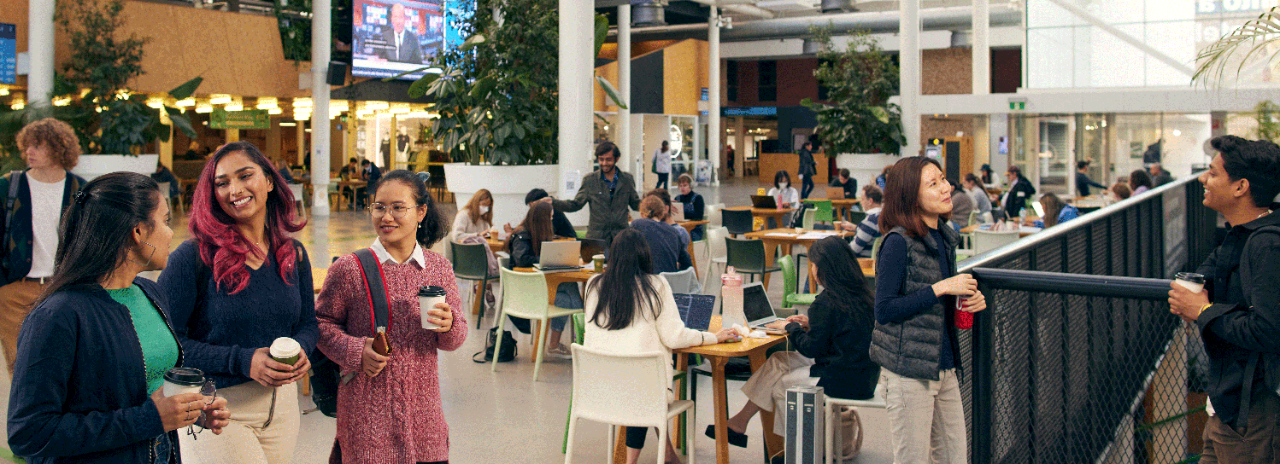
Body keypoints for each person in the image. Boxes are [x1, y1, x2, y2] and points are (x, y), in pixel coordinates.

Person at [7, 173, 231, 463]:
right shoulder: (58, 316)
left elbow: (145, 385)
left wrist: (189, 410)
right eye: (165, 221)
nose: (171, 232)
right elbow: (29, 433)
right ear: (137, 232)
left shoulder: (150, 293)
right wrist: (149, 419)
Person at [159, 141, 316, 464]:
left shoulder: (292, 254)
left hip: (282, 409)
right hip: (216, 410)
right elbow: (165, 344)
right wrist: (243, 360)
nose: (235, 190)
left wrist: (302, 349)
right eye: (222, 183)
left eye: (245, 176)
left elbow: (308, 324)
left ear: (270, 182)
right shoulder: (193, 258)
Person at [316, 170, 466, 464]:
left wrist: (449, 326)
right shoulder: (350, 269)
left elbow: (454, 340)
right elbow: (320, 325)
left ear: (421, 212)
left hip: (426, 421)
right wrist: (357, 351)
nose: (386, 216)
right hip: (367, 419)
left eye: (398, 207)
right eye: (379, 206)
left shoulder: (439, 268)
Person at [1167, 135, 1280, 463]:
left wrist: (1202, 310)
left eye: (1213, 173)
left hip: (1253, 411)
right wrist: (1197, 303)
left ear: (1240, 187)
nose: (1203, 178)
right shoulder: (1241, 235)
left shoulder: (1266, 246)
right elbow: (1193, 284)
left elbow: (1269, 330)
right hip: (1229, 408)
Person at [711, 236, 879, 453]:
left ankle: (792, 450)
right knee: (778, 361)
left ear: (824, 268)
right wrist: (813, 325)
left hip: (842, 379)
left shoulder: (827, 302)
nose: (812, 269)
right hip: (865, 376)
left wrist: (792, 329)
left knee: (783, 386)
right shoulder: (862, 295)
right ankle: (739, 422)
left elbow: (811, 349)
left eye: (814, 265)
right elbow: (846, 330)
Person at [582, 228, 735, 464]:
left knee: (640, 377)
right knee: (644, 385)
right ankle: (630, 462)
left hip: (600, 389)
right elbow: (674, 338)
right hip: (639, 389)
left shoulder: (593, 285)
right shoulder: (655, 284)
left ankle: (669, 455)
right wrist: (713, 337)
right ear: (644, 255)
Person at [873, 156, 987, 464]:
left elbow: (937, 306)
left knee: (954, 458)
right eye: (933, 184)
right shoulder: (898, 242)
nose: (946, 188)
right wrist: (941, 288)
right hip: (908, 372)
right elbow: (883, 309)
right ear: (911, 195)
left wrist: (969, 302)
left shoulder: (943, 237)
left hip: (945, 367)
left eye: (943, 180)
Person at [0, 118, 87, 376]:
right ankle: (24, 416)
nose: (29, 151)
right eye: (27, 145)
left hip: (61, 288)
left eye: (38, 146)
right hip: (15, 289)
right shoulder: (9, 186)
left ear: (59, 149)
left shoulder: (79, 189)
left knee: (60, 361)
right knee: (18, 364)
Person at [506, 201, 580, 359]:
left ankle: (573, 338)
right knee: (569, 293)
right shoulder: (522, 235)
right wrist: (548, 259)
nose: (552, 221)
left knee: (568, 292)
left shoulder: (532, 233)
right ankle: (581, 336)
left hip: (534, 286)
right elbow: (522, 260)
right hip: (526, 292)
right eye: (550, 217)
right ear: (542, 219)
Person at [551, 141, 641, 244]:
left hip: (622, 238)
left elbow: (635, 204)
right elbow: (575, 204)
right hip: (597, 239)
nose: (604, 163)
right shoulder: (590, 180)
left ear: (617, 159)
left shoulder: (627, 179)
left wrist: (653, 204)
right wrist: (553, 202)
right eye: (601, 159)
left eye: (608, 160)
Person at [630, 196, 692, 274]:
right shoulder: (674, 231)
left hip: (649, 281)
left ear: (642, 213)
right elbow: (687, 263)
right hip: (670, 282)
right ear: (662, 213)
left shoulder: (637, 225)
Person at [510, 188, 576, 239]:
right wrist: (514, 230)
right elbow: (530, 227)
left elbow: (544, 231)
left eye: (532, 205)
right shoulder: (542, 212)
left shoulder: (554, 211)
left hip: (567, 243)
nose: (531, 209)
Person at [844, 185, 884, 258]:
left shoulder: (870, 222)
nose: (861, 202)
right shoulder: (884, 217)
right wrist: (857, 228)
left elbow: (853, 250)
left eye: (862, 199)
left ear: (870, 201)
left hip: (862, 261)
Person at [673, 174, 705, 241]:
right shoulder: (677, 198)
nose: (682, 188)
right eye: (680, 186)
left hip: (694, 229)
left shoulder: (698, 198)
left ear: (690, 186)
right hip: (680, 228)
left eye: (685, 185)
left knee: (682, 239)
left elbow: (699, 216)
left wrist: (685, 216)